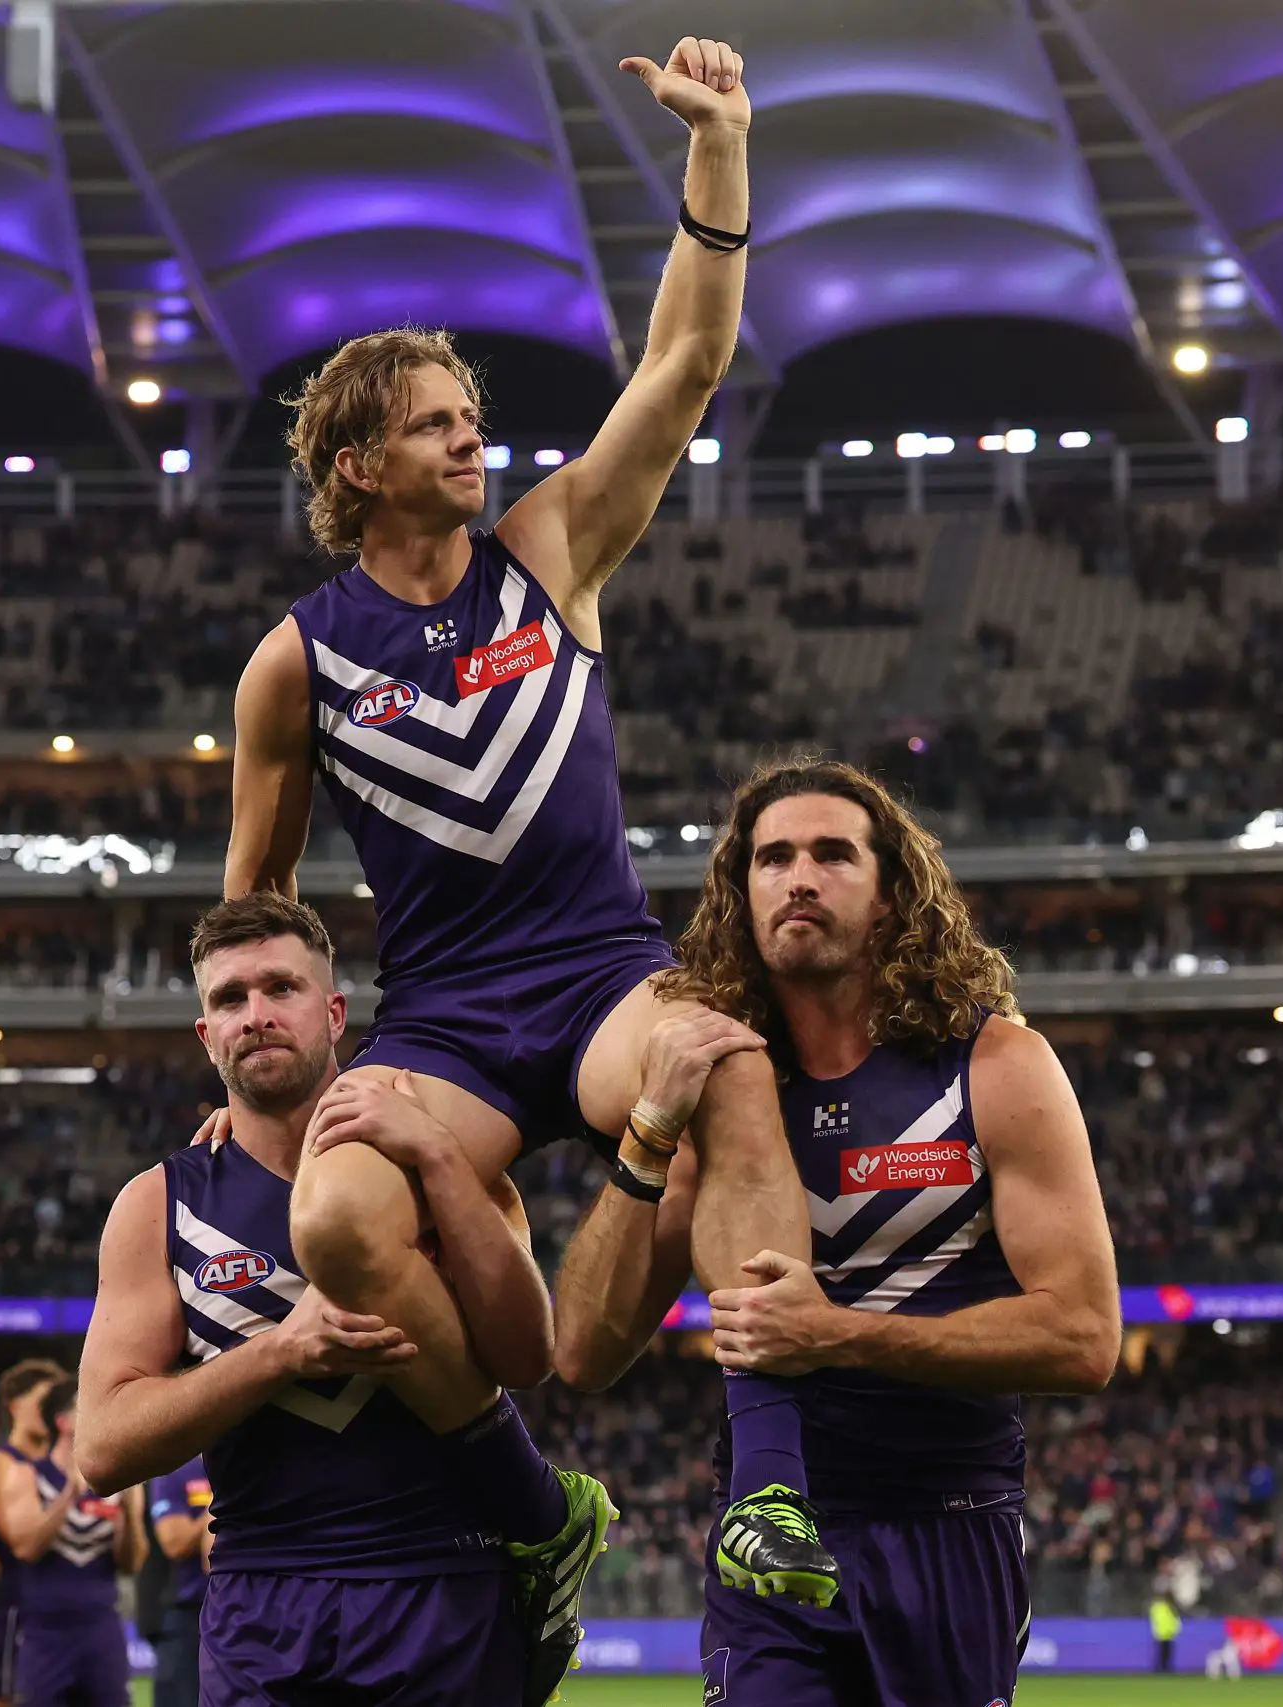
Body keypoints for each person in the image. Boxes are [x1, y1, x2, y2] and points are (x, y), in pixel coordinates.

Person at [221, 32, 831, 1604]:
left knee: (725, 1058)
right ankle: (531, 1497)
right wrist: (284, 1092)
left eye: (469, 412)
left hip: (598, 974)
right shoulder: (292, 663)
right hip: (443, 1022)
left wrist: (719, 146)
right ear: (359, 466)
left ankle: (766, 1480)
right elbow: (256, 913)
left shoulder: (548, 547)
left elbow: (684, 364)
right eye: (434, 423)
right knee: (338, 1218)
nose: (468, 436)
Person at [551, 759, 1123, 1707]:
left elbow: (1085, 1336)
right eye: (771, 858)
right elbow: (583, 1349)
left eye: (831, 854)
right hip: (772, 1535)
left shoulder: (997, 1066)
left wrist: (840, 1332)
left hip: (949, 1522)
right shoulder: (718, 1092)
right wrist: (650, 1126)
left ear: (894, 893)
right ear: (741, 897)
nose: (798, 877)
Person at [81, 893, 590, 1706]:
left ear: (334, 1011)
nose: (256, 1015)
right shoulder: (156, 1204)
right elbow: (103, 1449)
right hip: (263, 1599)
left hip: (445, 1580)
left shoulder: (439, 1152)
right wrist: (282, 1350)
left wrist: (438, 1159)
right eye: (229, 999)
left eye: (280, 988)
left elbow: (528, 1356)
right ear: (206, 1035)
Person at [0, 1382, 141, 1707]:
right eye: (86, 1406)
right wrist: (67, 1498)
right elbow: (26, 1547)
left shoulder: (119, 1478)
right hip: (45, 1628)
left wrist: (130, 1517)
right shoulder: (27, 1475)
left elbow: (131, 1563)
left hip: (101, 1624)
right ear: (63, 1421)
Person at [0, 1360, 68, 1707]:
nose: (51, 1412)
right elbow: (20, 1542)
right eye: (42, 1402)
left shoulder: (65, 1463)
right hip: (19, 1610)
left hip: (69, 1611)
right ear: (15, 1405)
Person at [144, 1456, 210, 1707]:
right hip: (186, 1617)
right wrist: (221, 1504)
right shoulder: (175, 1472)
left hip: (239, 1610)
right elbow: (175, 1542)